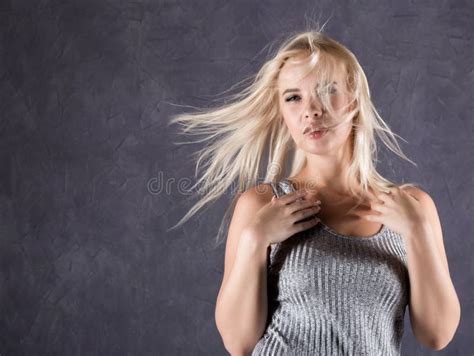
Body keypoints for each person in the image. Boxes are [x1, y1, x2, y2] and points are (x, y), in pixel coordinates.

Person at [167, 29, 460, 355]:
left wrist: (418, 230)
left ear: (354, 100)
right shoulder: (262, 205)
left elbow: (437, 335)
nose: (311, 110)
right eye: (294, 97)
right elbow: (238, 344)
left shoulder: (413, 207)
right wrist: (255, 239)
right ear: (282, 112)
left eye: (327, 90)